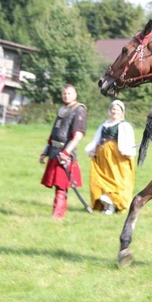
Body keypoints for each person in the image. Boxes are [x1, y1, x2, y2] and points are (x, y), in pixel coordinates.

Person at [39, 84, 87, 219]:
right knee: (58, 186)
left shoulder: (79, 110)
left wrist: (66, 152)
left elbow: (78, 135)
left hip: (65, 153)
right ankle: (58, 213)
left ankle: (57, 214)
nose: (66, 95)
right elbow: (54, 133)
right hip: (54, 151)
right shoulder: (62, 109)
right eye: (64, 93)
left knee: (61, 186)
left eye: (69, 93)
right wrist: (45, 151)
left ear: (75, 94)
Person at [85, 100, 135, 214]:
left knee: (115, 180)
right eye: (113, 109)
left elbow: (128, 142)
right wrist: (91, 150)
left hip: (115, 158)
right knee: (102, 179)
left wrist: (127, 152)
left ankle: (113, 205)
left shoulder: (124, 126)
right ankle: (106, 205)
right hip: (102, 157)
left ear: (122, 113)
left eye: (117, 110)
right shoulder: (104, 125)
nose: (115, 111)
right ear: (109, 111)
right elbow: (96, 139)